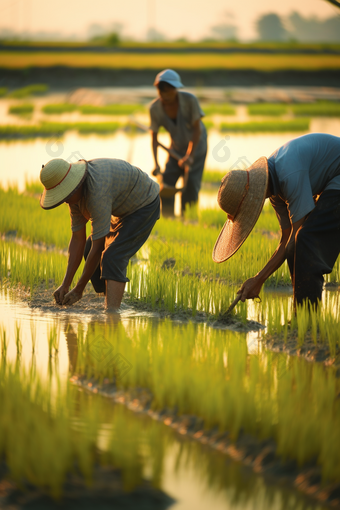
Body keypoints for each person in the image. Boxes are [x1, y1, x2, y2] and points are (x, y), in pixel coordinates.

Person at [212, 133, 340, 307]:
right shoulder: (275, 192)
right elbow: (286, 240)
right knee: (295, 246)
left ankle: (307, 317)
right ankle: (302, 314)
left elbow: (297, 234)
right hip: (331, 180)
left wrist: (259, 279)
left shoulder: (288, 174)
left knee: (305, 239)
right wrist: (258, 278)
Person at [39, 157, 160, 311]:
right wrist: (66, 284)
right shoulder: (74, 198)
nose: (65, 200)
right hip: (121, 209)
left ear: (75, 186)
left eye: (66, 195)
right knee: (89, 246)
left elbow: (99, 248)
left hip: (144, 204)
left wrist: (79, 289)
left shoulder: (97, 191)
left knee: (113, 255)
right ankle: (109, 299)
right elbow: (78, 240)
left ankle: (112, 313)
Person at [149, 68, 207, 216]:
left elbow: (197, 129)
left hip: (197, 148)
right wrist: (156, 163)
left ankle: (187, 219)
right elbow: (154, 138)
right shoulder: (155, 108)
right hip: (175, 149)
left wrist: (190, 155)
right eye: (162, 91)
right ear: (158, 90)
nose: (165, 95)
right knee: (166, 184)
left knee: (190, 187)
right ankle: (168, 218)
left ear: (176, 89)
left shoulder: (190, 101)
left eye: (169, 91)